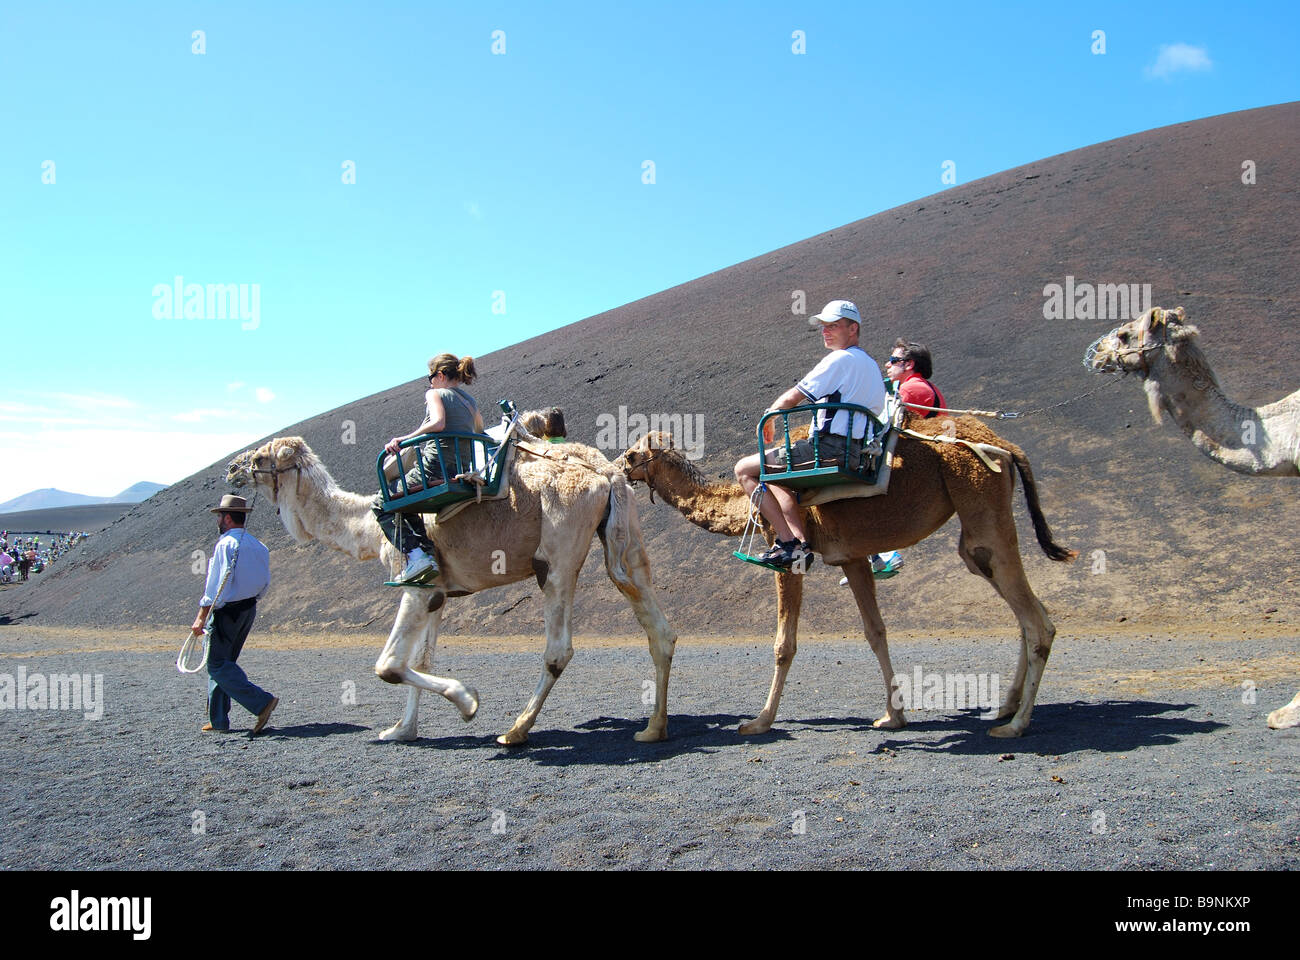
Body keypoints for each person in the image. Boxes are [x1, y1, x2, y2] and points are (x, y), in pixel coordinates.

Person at [734, 299, 885, 571]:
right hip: (860, 453)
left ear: (853, 329)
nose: (825, 331)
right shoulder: (872, 365)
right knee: (776, 478)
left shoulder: (840, 359)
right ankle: (800, 542)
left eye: (834, 326)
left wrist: (771, 417)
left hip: (829, 450)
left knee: (744, 469)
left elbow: (794, 396)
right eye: (824, 326)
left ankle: (786, 543)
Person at [373, 353, 484, 585]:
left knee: (382, 502)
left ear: (441, 375)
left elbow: (439, 422)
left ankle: (416, 555)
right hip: (460, 470)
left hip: (434, 469)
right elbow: (479, 430)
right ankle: (426, 554)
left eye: (430, 377)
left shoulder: (434, 393)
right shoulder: (470, 401)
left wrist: (402, 439)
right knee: (406, 500)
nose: (430, 383)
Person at [189, 494, 276, 734]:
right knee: (225, 663)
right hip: (248, 609)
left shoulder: (225, 545)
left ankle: (261, 702)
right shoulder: (259, 545)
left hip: (228, 611)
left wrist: (201, 617)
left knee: (217, 665)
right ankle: (218, 720)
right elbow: (264, 582)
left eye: (219, 516)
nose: (218, 520)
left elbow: (214, 587)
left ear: (226, 518)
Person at [886, 339, 946, 418]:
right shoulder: (926, 385)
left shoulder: (909, 388)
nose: (887, 365)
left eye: (893, 360)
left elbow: (888, 421)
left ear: (909, 364)